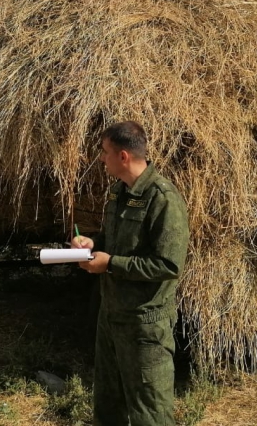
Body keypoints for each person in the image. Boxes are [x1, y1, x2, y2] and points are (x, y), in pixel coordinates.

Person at [72, 121, 190, 426]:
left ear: (123, 156)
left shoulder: (162, 199)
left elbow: (168, 265)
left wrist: (110, 264)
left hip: (144, 325)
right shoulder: (118, 192)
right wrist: (92, 242)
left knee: (149, 412)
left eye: (105, 152)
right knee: (108, 406)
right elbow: (114, 240)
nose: (101, 158)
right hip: (111, 317)